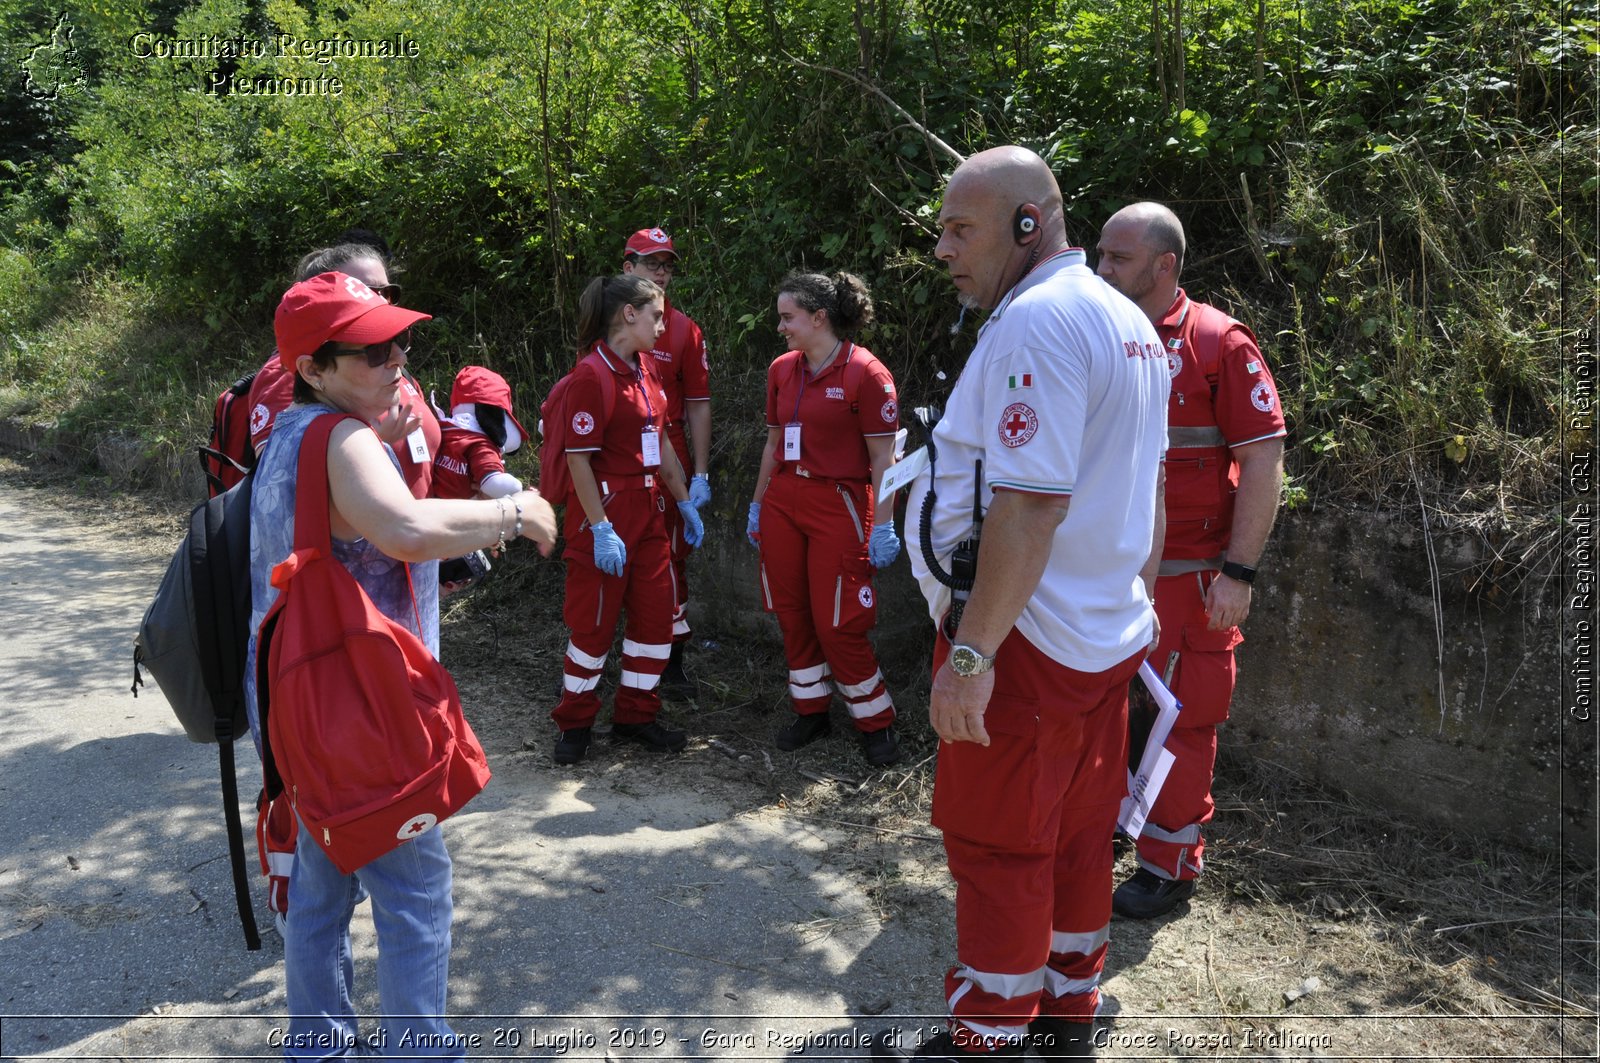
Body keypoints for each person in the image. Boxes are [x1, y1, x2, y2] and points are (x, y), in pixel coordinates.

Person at [878, 146, 1168, 1061]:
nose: (941, 249)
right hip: (1098, 630)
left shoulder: (1037, 323)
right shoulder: (1128, 321)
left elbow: (1031, 501)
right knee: (1080, 836)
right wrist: (1130, 601)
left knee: (999, 843)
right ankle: (1065, 1011)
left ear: (1029, 224)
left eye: (961, 229)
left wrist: (970, 655)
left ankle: (987, 1034)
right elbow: (1144, 490)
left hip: (1024, 641)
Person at [244, 270, 557, 1059]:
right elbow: (406, 528)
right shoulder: (343, 438)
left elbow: (400, 513)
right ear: (312, 368)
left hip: (297, 705)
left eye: (400, 342)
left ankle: (317, 1045)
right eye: (371, 350)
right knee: (416, 889)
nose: (396, 360)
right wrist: (512, 513)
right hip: (362, 712)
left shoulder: (287, 435)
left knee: (319, 886)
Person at [1095, 202, 1287, 919]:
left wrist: (1239, 572)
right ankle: (1110, 825)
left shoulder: (1217, 341)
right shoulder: (1100, 330)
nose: (1102, 269)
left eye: (1117, 257)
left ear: (1163, 264)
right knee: (1104, 706)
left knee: (1180, 718)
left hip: (1190, 577)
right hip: (1108, 569)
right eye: (1102, 255)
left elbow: (1263, 459)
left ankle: (1170, 865)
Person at [746, 270, 904, 768]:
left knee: (839, 622)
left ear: (819, 318)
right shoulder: (782, 369)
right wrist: (757, 503)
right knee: (792, 615)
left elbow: (884, 460)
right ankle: (811, 710)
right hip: (784, 500)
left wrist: (883, 522)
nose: (781, 327)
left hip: (840, 502)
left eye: (788, 317)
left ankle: (875, 722)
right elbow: (774, 444)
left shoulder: (867, 374)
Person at [549, 274, 706, 765]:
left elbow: (659, 442)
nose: (664, 326)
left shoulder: (646, 371)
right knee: (592, 627)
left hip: (651, 512)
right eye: (656, 315)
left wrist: (682, 500)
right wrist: (599, 528)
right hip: (606, 512)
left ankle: (636, 716)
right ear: (628, 314)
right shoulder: (590, 376)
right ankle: (575, 723)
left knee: (656, 620)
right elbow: (579, 460)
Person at [247, 241, 441, 500]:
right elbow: (281, 487)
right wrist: (371, 443)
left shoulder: (389, 360)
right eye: (365, 291)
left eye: (388, 292)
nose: (379, 301)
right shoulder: (293, 373)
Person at [621, 227, 711, 698]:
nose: (661, 271)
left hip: (667, 452)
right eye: (651, 262)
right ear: (627, 267)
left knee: (671, 560)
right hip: (618, 457)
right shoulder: (608, 323)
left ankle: (672, 662)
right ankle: (622, 654)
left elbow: (697, 403)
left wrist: (701, 473)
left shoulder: (684, 329)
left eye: (667, 264)